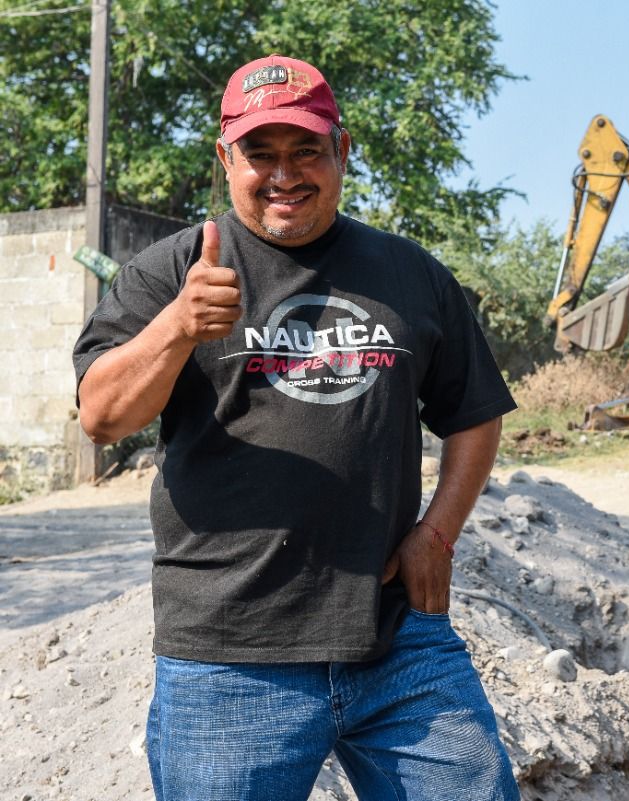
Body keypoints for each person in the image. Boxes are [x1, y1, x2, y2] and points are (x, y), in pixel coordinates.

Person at [72, 54, 521, 801]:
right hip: (228, 656)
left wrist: (437, 534)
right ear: (226, 159)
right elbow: (102, 416)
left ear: (342, 150)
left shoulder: (410, 274)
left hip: (398, 643)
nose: (284, 174)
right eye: (261, 153)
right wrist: (178, 326)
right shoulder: (171, 273)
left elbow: (475, 413)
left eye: (306, 149)